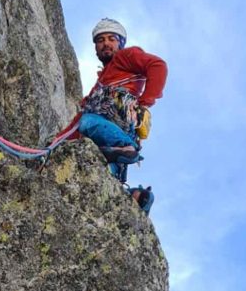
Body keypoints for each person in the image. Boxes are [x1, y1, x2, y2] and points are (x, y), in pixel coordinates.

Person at [56, 18, 167, 211]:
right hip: (106, 144)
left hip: (117, 125)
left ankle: (126, 146)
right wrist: (55, 144)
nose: (106, 43)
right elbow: (75, 126)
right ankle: (134, 200)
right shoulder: (99, 87)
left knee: (88, 121)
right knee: (96, 177)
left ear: (120, 43)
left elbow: (157, 65)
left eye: (112, 39)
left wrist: (144, 103)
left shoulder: (126, 57)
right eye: (100, 40)